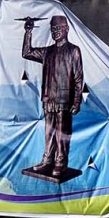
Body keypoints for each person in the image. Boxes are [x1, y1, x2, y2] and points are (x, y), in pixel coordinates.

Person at [21, 15, 84, 176]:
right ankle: (47, 160)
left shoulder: (73, 51)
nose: (55, 32)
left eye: (58, 28)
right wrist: (28, 31)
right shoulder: (47, 52)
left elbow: (78, 79)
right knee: (49, 133)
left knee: (62, 134)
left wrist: (76, 102)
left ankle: (60, 163)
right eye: (53, 29)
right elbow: (27, 52)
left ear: (66, 29)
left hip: (65, 101)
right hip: (48, 100)